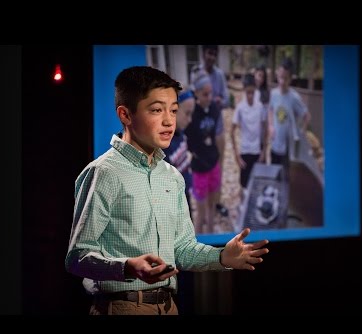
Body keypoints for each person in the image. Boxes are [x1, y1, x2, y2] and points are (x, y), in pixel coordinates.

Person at [65, 66, 270, 315]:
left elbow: (182, 249)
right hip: (123, 306)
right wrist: (127, 267)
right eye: (156, 110)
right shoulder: (104, 172)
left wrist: (222, 257)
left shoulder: (172, 176)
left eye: (173, 110)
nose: (168, 120)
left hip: (169, 306)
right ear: (125, 115)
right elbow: (77, 257)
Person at [190, 45, 230, 217]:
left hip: (217, 129)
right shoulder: (196, 72)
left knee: (217, 168)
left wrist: (219, 100)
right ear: (203, 53)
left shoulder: (219, 75)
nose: (212, 56)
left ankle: (215, 204)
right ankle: (204, 208)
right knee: (203, 171)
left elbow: (227, 99)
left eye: (215, 53)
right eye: (209, 52)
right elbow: (191, 99)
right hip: (200, 131)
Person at [267, 58, 311, 182]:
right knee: (275, 177)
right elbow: (270, 109)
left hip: (289, 149)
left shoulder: (294, 97)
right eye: (280, 77)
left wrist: (301, 133)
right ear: (277, 74)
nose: (281, 81)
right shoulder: (274, 93)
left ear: (291, 78)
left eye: (285, 78)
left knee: (287, 179)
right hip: (275, 144)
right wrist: (270, 126)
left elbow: (307, 116)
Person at [231, 73, 268, 203]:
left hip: (257, 151)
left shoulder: (260, 107)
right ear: (244, 91)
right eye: (248, 93)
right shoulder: (240, 108)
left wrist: (263, 151)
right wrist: (237, 156)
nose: (250, 96)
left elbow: (265, 129)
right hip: (245, 151)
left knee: (257, 182)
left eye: (253, 92)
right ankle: (243, 209)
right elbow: (232, 130)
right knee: (244, 184)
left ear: (255, 90)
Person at [163, 88, 195, 214]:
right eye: (187, 113)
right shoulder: (163, 145)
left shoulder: (180, 132)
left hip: (185, 197)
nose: (190, 119)